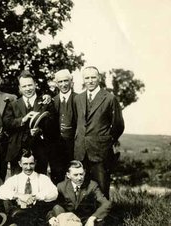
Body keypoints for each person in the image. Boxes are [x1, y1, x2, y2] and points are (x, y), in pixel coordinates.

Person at [74, 66, 124, 198]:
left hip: (101, 151)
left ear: (99, 79)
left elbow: (118, 125)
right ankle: (85, 217)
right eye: (87, 78)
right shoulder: (78, 99)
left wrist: (106, 141)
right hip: (80, 151)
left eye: (93, 77)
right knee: (82, 189)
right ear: (83, 80)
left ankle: (103, 218)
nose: (90, 81)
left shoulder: (109, 98)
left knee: (102, 187)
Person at [3, 70, 59, 175]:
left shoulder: (45, 102)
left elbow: (53, 124)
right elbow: (7, 123)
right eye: (24, 86)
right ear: (19, 88)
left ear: (35, 85)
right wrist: (23, 120)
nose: (28, 89)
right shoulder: (13, 104)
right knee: (18, 184)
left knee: (39, 184)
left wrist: (40, 129)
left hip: (40, 151)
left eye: (30, 85)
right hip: (17, 151)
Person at [0, 149, 57, 226]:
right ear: (20, 164)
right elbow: (0, 192)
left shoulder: (42, 178)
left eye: (31, 163)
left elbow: (54, 193)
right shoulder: (15, 179)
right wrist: (20, 195)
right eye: (25, 164)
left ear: (35, 163)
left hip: (38, 216)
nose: (28, 167)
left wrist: (35, 197)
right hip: (19, 216)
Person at [48, 160, 111, 226]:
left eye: (81, 174)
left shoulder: (92, 185)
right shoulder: (61, 186)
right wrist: (51, 217)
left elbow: (106, 203)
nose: (79, 178)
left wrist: (92, 218)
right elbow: (53, 206)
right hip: (68, 220)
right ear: (68, 175)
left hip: (86, 220)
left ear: (85, 173)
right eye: (75, 175)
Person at [51, 69, 78, 184]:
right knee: (57, 177)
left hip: (74, 147)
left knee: (75, 176)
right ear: (56, 84)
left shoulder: (79, 99)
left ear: (71, 82)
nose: (63, 84)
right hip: (56, 148)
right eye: (60, 81)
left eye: (66, 81)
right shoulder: (52, 100)